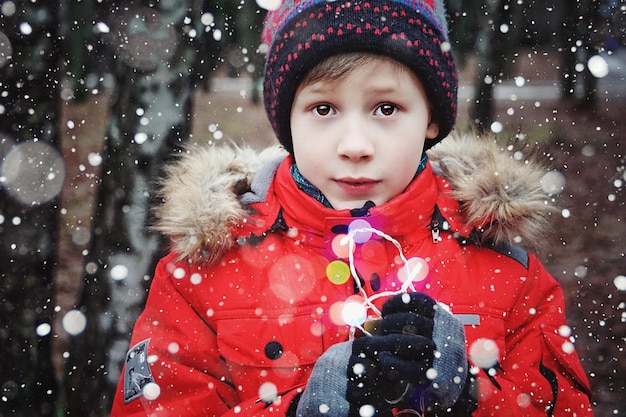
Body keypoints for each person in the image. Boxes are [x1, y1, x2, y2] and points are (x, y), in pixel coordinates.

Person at [111, 0, 593, 416]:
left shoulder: (506, 269)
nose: (356, 145)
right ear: (288, 123)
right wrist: (300, 409)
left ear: (430, 118)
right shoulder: (202, 275)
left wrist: (470, 393)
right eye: (324, 109)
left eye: (386, 108)